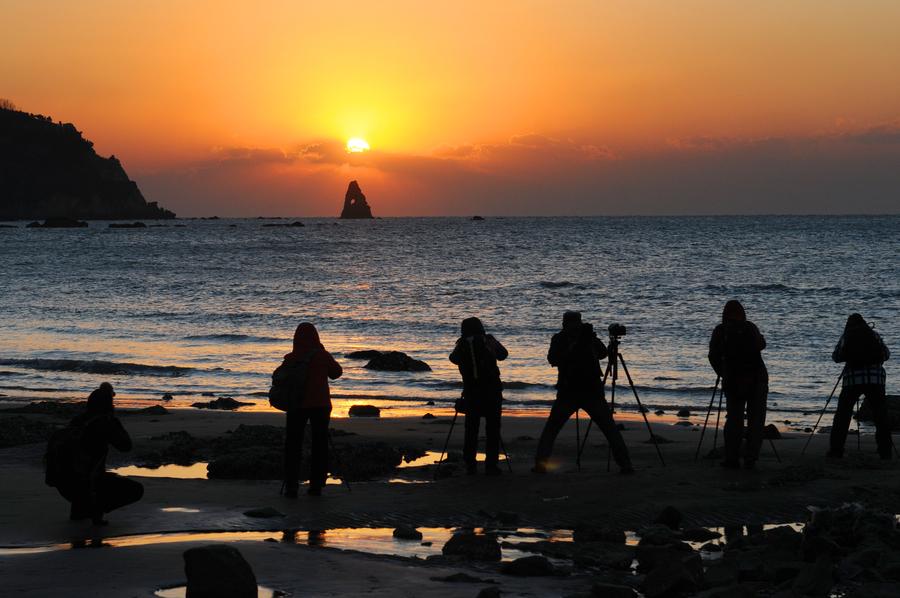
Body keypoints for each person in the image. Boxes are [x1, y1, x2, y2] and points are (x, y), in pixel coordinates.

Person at [534, 311, 633, 474]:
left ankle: (540, 463)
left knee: (552, 429)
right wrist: (584, 342)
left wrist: (588, 340)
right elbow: (601, 354)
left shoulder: (569, 338)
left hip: (575, 391)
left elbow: (601, 353)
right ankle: (625, 464)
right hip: (585, 390)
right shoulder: (571, 338)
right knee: (609, 428)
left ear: (564, 323)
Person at [55, 382, 143, 525]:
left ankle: (79, 511)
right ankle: (95, 511)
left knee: (84, 474)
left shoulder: (78, 420)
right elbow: (126, 446)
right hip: (88, 485)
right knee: (136, 490)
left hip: (63, 483)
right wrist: (115, 421)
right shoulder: (105, 423)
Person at [282, 322, 342, 497]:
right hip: (321, 406)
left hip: (296, 405)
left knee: (293, 445)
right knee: (320, 445)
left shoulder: (291, 358)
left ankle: (291, 486)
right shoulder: (322, 355)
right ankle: (316, 485)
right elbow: (336, 373)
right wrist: (321, 350)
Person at [708, 300, 768, 469]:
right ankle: (751, 458)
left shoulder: (720, 331)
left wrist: (722, 372)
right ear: (742, 313)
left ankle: (732, 458)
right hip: (758, 379)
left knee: (734, 419)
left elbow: (713, 356)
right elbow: (761, 344)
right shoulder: (750, 327)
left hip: (733, 381)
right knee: (756, 420)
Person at [449, 317, 508, 475]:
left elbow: (453, 359)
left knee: (471, 430)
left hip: (471, 393)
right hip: (492, 392)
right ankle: (491, 466)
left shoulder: (461, 344)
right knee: (493, 430)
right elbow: (503, 355)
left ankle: (470, 465)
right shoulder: (488, 340)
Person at [828, 313, 892, 459]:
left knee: (842, 416)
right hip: (876, 380)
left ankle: (836, 451)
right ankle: (885, 452)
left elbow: (836, 357)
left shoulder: (847, 336)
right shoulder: (874, 334)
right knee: (880, 416)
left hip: (852, 381)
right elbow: (886, 354)